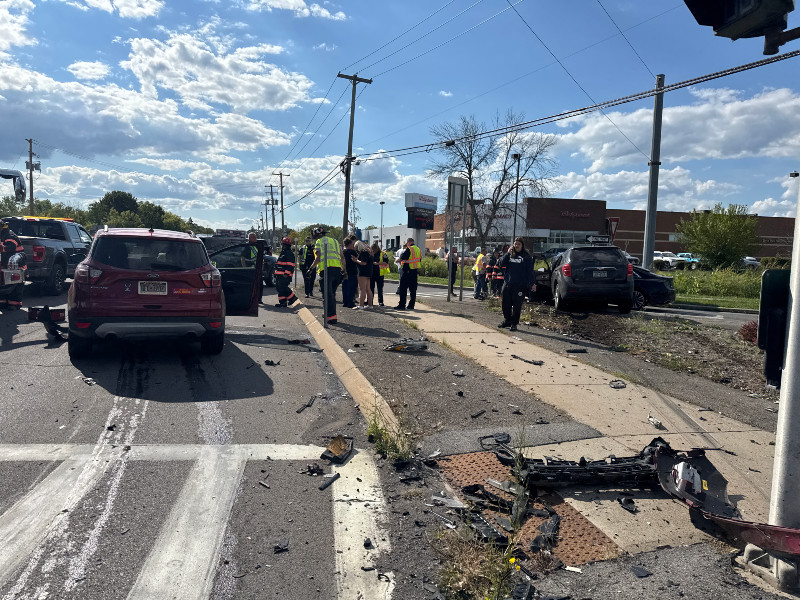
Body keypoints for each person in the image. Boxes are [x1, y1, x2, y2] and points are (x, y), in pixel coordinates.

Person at [498, 238, 534, 332]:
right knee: (505, 303)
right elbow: (501, 264)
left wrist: (532, 283)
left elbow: (530, 271)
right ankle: (507, 320)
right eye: (515, 244)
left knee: (517, 305)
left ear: (522, 246)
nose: (516, 246)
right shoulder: (510, 255)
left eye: (518, 244)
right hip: (508, 283)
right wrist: (507, 254)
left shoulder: (526, 257)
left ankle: (514, 323)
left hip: (520, 285)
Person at [310, 227, 343, 325]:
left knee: (327, 295)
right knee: (332, 294)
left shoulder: (319, 242)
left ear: (316, 235)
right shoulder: (335, 241)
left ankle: (331, 318)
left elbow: (318, 258)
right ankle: (329, 314)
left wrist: (311, 268)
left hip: (326, 270)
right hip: (337, 270)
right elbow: (342, 257)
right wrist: (344, 270)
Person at [0, 222, 26, 309]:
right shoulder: (2, 236)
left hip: (17, 266)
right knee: (3, 285)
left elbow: (10, 247)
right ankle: (2, 303)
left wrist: (3, 247)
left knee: (15, 288)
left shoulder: (10, 236)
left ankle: (15, 304)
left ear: (2, 228)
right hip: (5, 265)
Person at [395, 237, 421, 311]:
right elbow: (419, 259)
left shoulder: (409, 249)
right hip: (414, 271)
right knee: (413, 289)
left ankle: (402, 305)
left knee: (403, 288)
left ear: (408, 242)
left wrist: (397, 260)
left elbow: (403, 257)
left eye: (407, 243)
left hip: (407, 271)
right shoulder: (418, 249)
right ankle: (411, 305)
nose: (407, 244)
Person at [274, 237, 298, 307]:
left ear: (284, 245)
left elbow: (290, 265)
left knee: (283, 287)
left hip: (285, 275)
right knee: (279, 288)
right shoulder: (284, 252)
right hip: (280, 274)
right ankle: (283, 302)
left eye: (282, 244)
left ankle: (293, 298)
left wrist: (287, 273)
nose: (281, 246)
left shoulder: (288, 253)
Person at [353, 241, 374, 308]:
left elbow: (363, 263)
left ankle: (361, 305)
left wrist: (356, 260)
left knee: (362, 289)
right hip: (369, 272)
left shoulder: (363, 253)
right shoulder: (369, 253)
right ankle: (370, 305)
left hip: (362, 272)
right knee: (368, 289)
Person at [370, 242, 389, 307]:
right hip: (372, 273)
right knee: (371, 288)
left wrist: (377, 263)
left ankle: (380, 302)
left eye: (374, 250)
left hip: (379, 273)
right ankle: (370, 301)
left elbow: (386, 262)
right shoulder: (370, 253)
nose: (373, 251)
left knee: (380, 288)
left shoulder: (383, 253)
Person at [341, 238, 359, 308]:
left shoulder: (343, 252)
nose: (353, 245)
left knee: (345, 288)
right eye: (352, 244)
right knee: (352, 288)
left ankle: (345, 302)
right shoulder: (353, 252)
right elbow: (357, 260)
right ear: (349, 244)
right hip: (352, 271)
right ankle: (351, 303)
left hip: (345, 272)